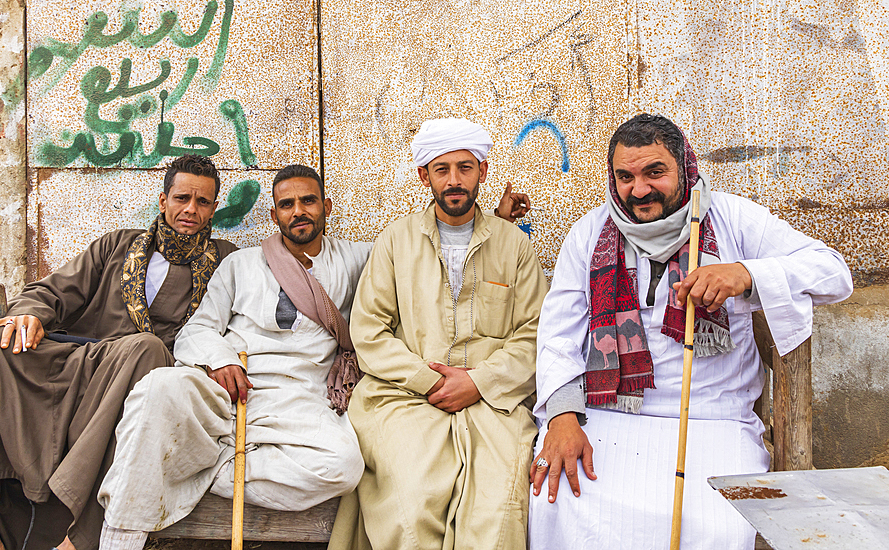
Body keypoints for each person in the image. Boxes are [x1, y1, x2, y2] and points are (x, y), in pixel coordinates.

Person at [529, 114, 853, 549]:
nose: (638, 190)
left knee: (720, 527)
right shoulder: (589, 233)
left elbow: (834, 274)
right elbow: (559, 334)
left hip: (713, 417)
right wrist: (563, 417)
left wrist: (745, 274)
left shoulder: (732, 218)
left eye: (654, 172)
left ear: (685, 167)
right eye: (625, 177)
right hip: (610, 416)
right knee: (557, 505)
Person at [0, 154, 238, 550]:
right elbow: (53, 290)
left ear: (214, 208)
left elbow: (235, 326)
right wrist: (28, 314)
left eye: (202, 202)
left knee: (147, 351)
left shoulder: (226, 261)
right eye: (182, 198)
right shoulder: (119, 245)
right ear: (163, 201)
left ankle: (74, 539)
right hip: (83, 361)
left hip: (147, 377)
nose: (190, 210)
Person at [96, 164, 371, 548]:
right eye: (287, 204)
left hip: (298, 399)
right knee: (158, 388)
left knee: (342, 468)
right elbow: (198, 329)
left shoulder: (358, 260)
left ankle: (205, 466)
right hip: (229, 389)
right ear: (274, 215)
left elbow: (413, 252)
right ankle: (118, 540)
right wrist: (221, 359)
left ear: (326, 205)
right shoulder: (240, 264)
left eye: (308, 201)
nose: (299, 211)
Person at [329, 118, 549, 550]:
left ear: (482, 172)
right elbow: (370, 330)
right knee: (410, 504)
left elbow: (535, 333)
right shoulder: (395, 240)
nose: (454, 181)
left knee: (497, 512)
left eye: (465, 168)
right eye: (442, 169)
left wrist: (478, 382)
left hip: (493, 401)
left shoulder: (513, 245)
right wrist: (432, 381)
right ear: (423, 176)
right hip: (403, 398)